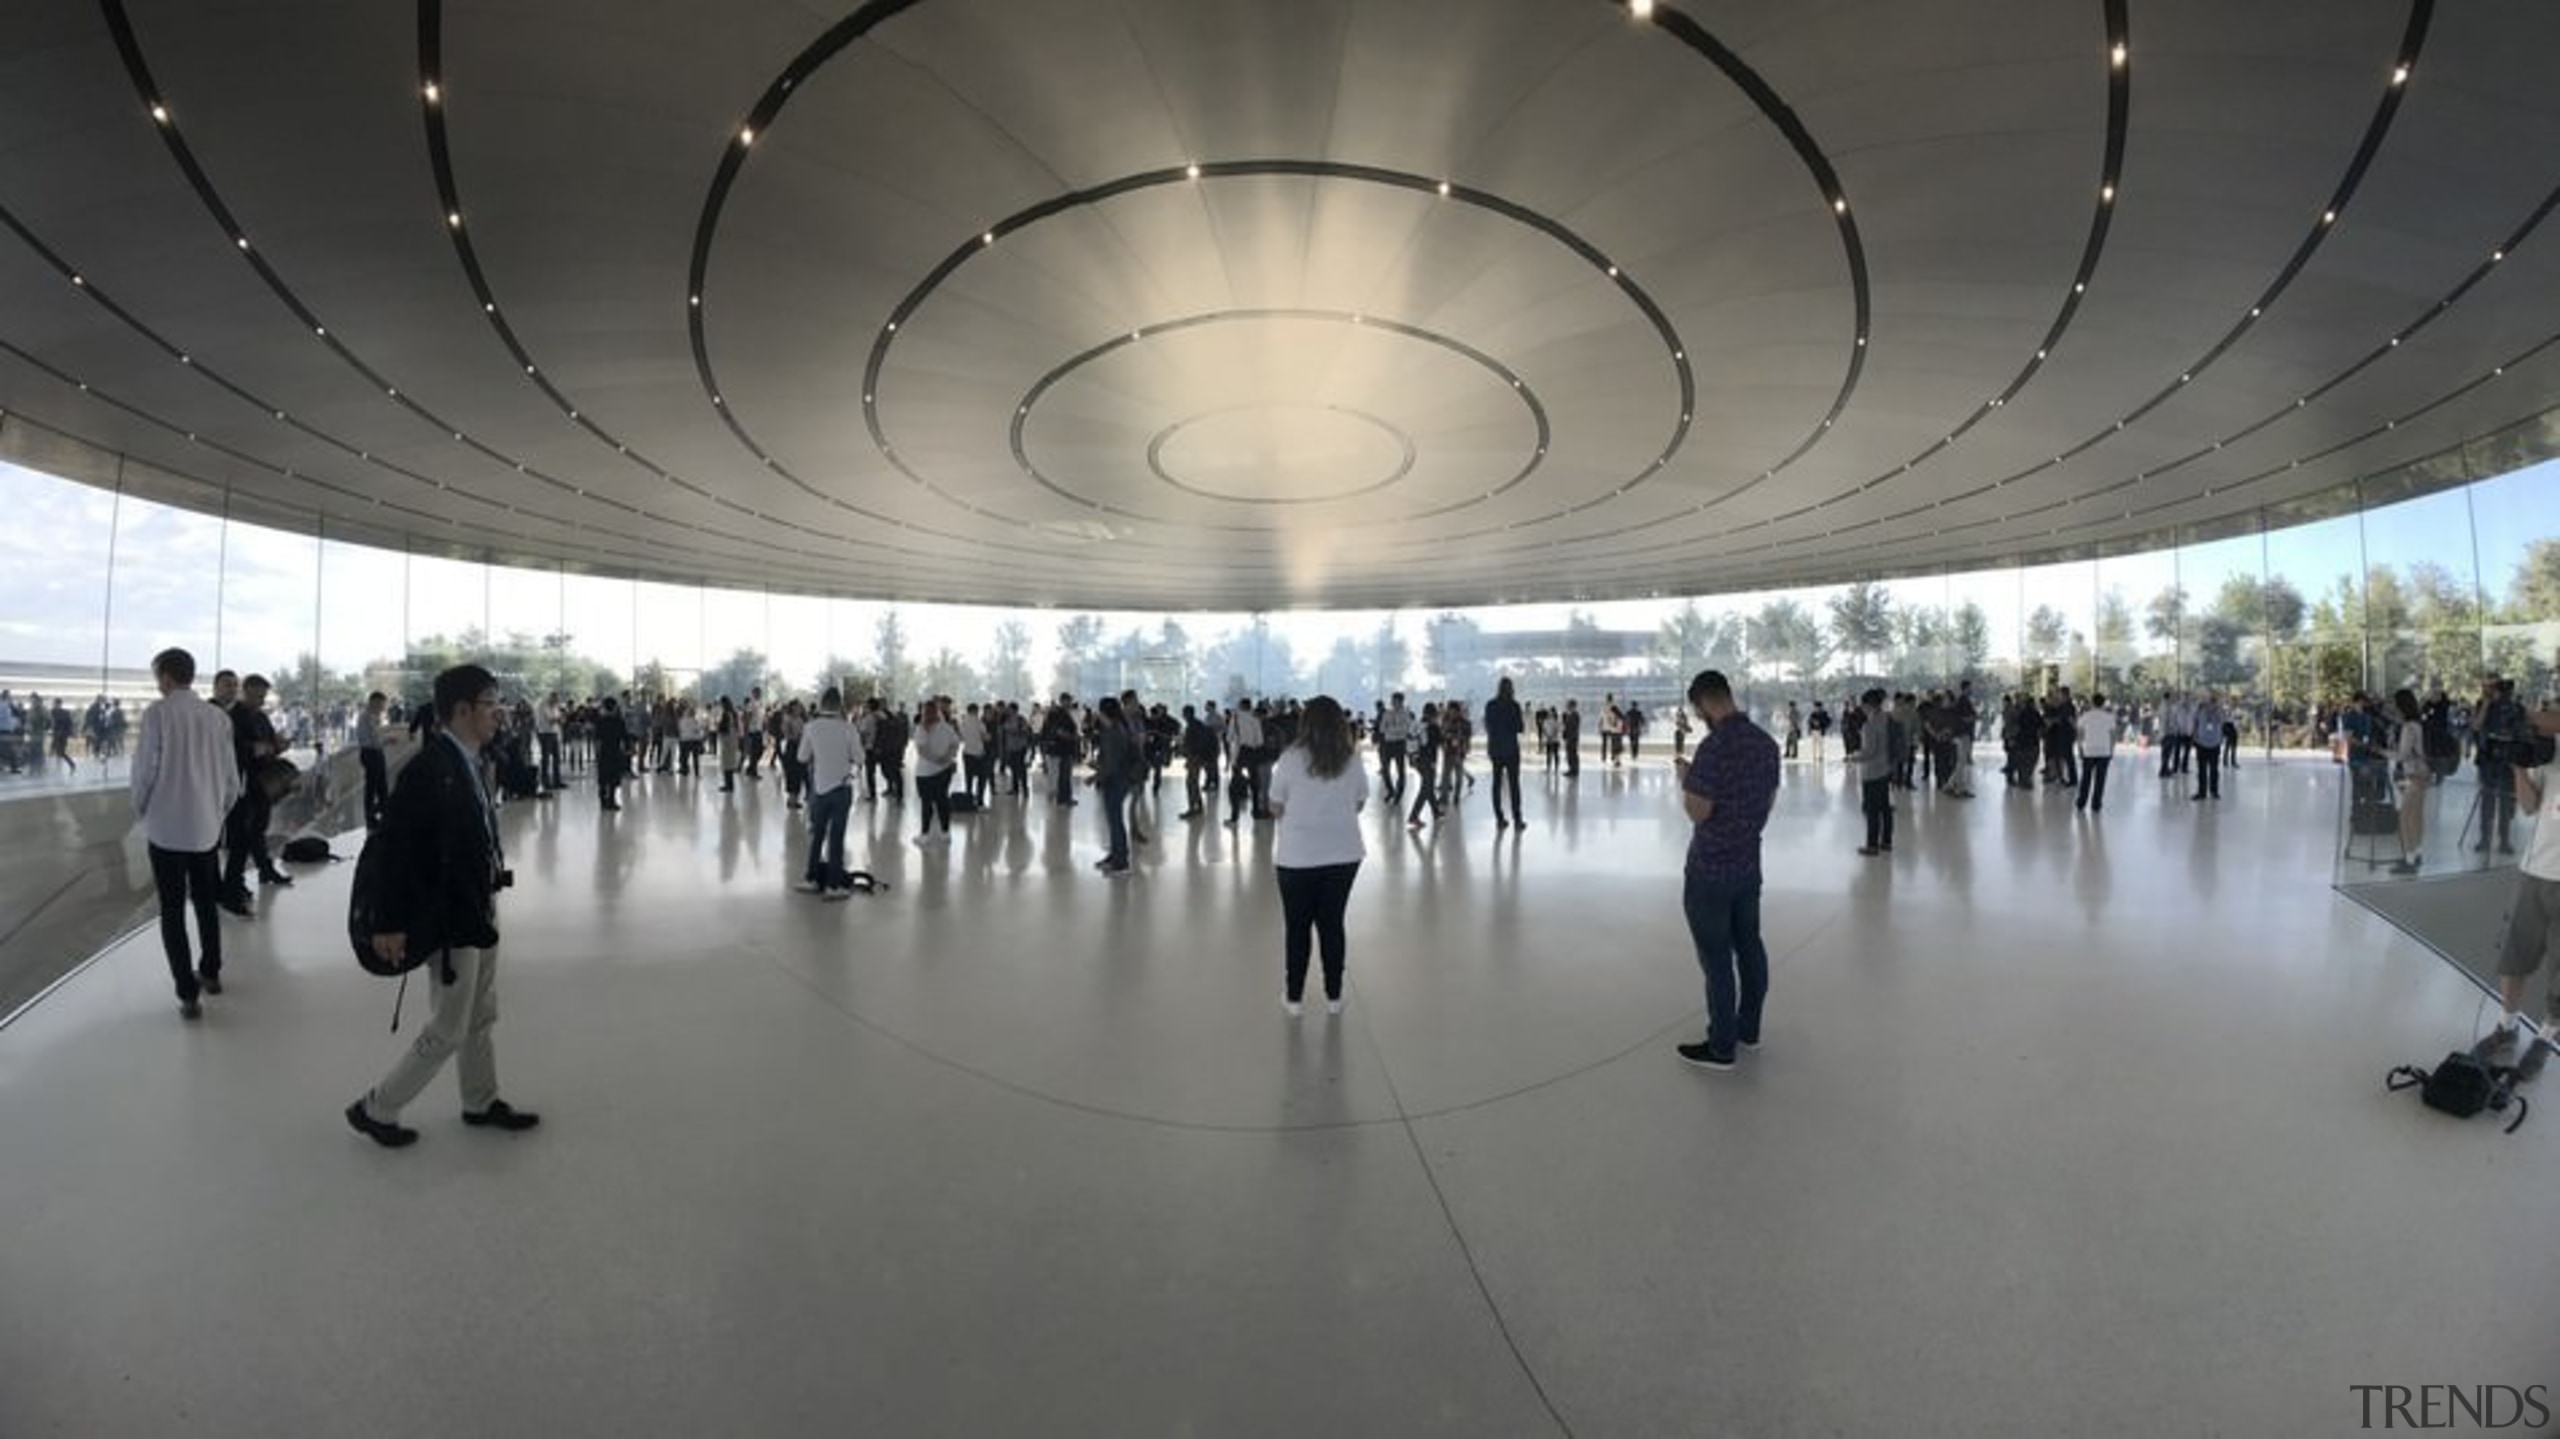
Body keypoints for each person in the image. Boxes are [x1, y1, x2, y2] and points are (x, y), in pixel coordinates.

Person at [345, 665, 540, 1149]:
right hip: (450, 914)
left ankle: (479, 1100)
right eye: (490, 703)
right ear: (460, 710)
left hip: (479, 903)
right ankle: (378, 1106)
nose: (499, 712)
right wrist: (388, 923)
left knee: (481, 1014)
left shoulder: (472, 758)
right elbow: (392, 848)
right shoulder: (429, 769)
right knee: (451, 1025)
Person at [1672, 670, 1781, 1070]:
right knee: (1749, 944)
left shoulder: (1713, 748)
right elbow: (1767, 803)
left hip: (1710, 870)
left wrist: (1687, 780)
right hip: (1748, 865)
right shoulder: (1766, 744)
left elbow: (1699, 812)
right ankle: (1748, 1029)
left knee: (1716, 956)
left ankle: (1721, 1045)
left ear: (1702, 704)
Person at [131, 648, 244, 1020]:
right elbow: (231, 779)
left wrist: (142, 808)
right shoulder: (217, 718)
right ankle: (211, 971)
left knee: (173, 909)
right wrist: (217, 811)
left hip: (166, 829)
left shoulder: (158, 714)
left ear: (165, 676)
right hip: (206, 830)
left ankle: (187, 993)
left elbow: (145, 771)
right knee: (206, 902)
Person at [1267, 696, 1369, 1016]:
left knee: (1297, 928)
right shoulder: (1351, 760)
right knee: (1332, 924)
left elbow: (1275, 804)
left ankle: (1294, 998)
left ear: (1305, 722)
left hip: (1297, 856)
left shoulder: (1290, 759)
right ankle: (1334, 996)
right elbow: (1360, 803)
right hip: (1344, 854)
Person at [2480, 727, 2559, 1081]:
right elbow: (2528, 806)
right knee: (2513, 954)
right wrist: (2518, 766)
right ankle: (2506, 1027)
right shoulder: (2552, 750)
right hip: (2535, 871)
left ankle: (2546, 1036)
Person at [219, 674, 292, 910]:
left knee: (258, 829)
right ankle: (233, 883)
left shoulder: (261, 717)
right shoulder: (233, 717)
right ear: (246, 692)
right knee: (240, 837)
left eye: (263, 696)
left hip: (260, 783)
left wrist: (277, 746)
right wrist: (257, 749)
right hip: (240, 785)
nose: (261, 700)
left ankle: (264, 870)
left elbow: (269, 746)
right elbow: (233, 750)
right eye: (258, 695)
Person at [796, 688, 860, 898]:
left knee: (817, 835)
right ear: (840, 704)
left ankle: (811, 878)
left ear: (821, 704)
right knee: (837, 837)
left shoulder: (811, 727)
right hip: (841, 788)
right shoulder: (848, 728)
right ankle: (834, 886)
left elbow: (802, 757)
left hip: (819, 788)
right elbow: (860, 758)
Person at [1093, 696, 1138, 876]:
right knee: (1113, 821)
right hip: (1119, 779)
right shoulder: (1118, 728)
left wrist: (1096, 776)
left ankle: (1121, 862)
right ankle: (1115, 855)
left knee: (1115, 821)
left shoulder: (1113, 732)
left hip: (1116, 780)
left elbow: (1111, 764)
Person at [2389, 688, 2429, 874]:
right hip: (2424, 774)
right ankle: (2417, 853)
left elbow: (2403, 755)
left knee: (2405, 817)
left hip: (2413, 775)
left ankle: (2409, 859)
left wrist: (2383, 751)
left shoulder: (2408, 727)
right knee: (2417, 816)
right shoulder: (2419, 725)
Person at [912, 698, 959, 845]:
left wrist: (935, 760)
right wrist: (946, 759)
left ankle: (925, 835)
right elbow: (955, 744)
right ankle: (945, 833)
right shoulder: (946, 727)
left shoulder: (922, 729)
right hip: (944, 771)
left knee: (926, 804)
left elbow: (922, 750)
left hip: (925, 772)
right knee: (942, 801)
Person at [1482, 676, 1525, 830]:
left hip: (1495, 749)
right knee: (1514, 785)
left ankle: (1499, 818)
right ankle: (1517, 819)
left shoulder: (1490, 705)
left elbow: (1487, 725)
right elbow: (1520, 728)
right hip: (1511, 749)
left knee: (1496, 784)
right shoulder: (1514, 706)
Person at [1855, 688, 1894, 856]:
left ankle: (1872, 845)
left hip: (1872, 772)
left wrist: (1853, 757)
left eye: (1863, 705)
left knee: (1872, 810)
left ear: (1868, 705)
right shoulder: (1887, 719)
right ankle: (1886, 842)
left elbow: (1869, 752)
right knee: (1884, 807)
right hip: (1886, 769)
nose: (1861, 708)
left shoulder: (1870, 725)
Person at [2075, 693, 2117, 814]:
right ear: (2103, 703)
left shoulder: (2085, 716)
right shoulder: (2109, 717)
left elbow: (2080, 734)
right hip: (2104, 751)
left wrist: (2079, 748)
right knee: (2100, 779)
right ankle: (2096, 804)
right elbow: (2113, 736)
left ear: (2092, 702)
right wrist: (2112, 750)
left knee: (2086, 778)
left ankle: (2081, 802)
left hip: (2089, 750)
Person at [356, 690, 391, 830]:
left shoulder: (373, 717)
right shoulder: (366, 717)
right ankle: (370, 817)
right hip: (371, 753)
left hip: (376, 752)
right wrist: (387, 741)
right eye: (382, 704)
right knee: (372, 786)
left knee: (381, 784)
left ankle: (384, 811)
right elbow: (373, 740)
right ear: (374, 702)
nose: (383, 707)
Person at [593, 696, 631, 811]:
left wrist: (597, 754)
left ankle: (603, 801)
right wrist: (628, 749)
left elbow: (597, 740)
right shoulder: (619, 721)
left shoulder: (600, 721)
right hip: (615, 752)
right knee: (614, 777)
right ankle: (611, 800)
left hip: (604, 752)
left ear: (604, 707)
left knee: (603, 777)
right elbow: (625, 738)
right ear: (614, 707)